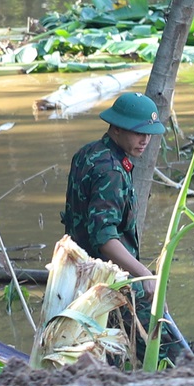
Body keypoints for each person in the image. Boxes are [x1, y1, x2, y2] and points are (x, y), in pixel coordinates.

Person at [61, 92, 162, 287]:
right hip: (107, 283)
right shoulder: (112, 170)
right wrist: (144, 275)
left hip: (78, 276)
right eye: (138, 132)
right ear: (116, 128)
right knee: (154, 313)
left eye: (149, 133)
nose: (145, 140)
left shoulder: (88, 152)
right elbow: (104, 237)